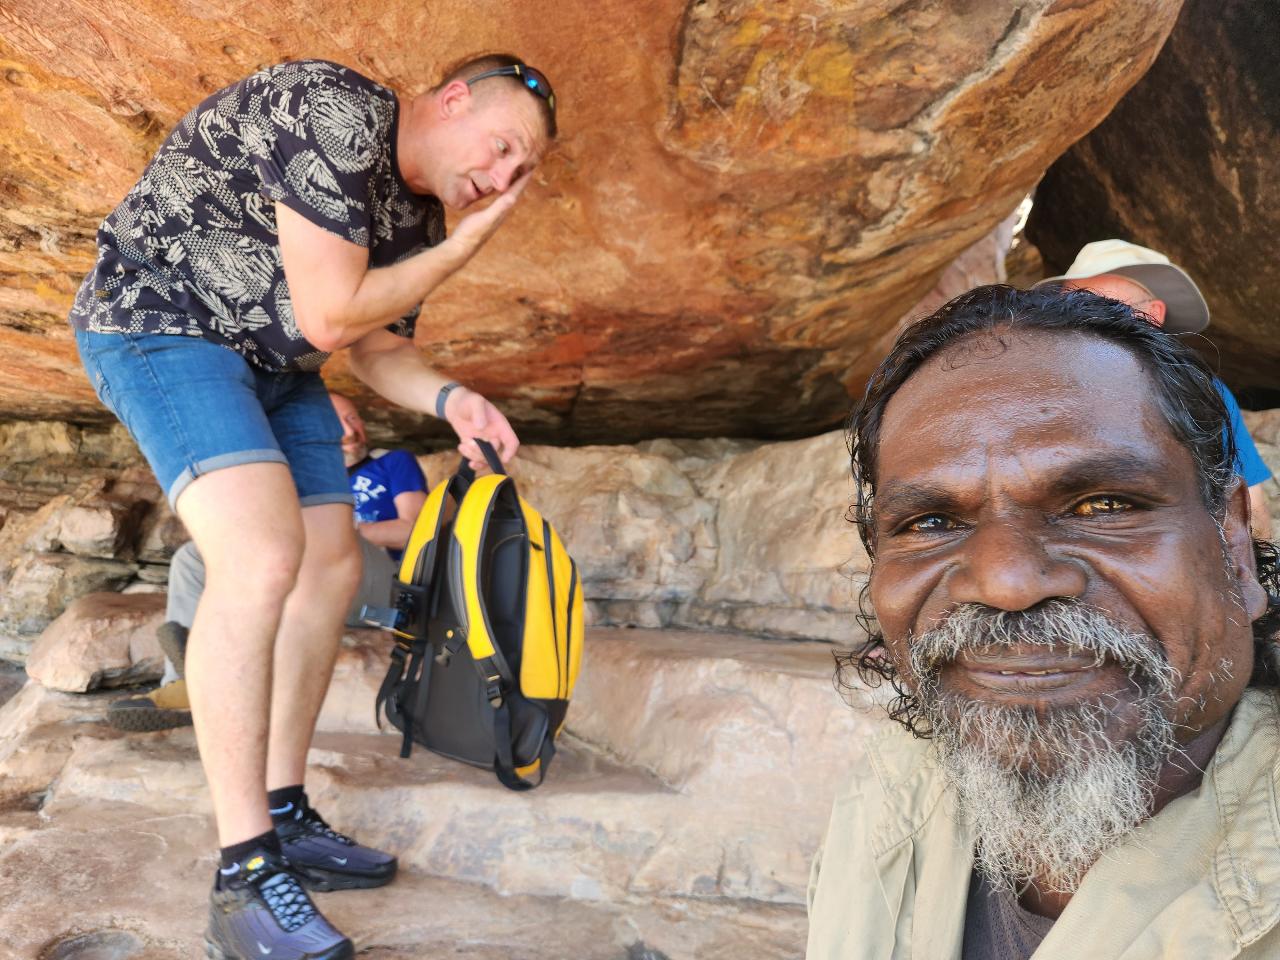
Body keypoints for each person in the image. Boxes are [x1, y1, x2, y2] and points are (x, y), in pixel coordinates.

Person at [70, 53, 556, 959]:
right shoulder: (333, 108)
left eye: (520, 171)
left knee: (330, 567)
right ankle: (244, 873)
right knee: (259, 559)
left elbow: (372, 349)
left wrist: (453, 399)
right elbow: (331, 316)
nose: (501, 181)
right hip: (161, 323)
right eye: (502, 149)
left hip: (275, 364)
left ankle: (284, 810)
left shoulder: (416, 219)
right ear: (454, 100)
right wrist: (468, 246)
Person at [807, 285, 1280, 959]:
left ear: (1233, 543)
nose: (1007, 584)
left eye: (1102, 505)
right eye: (931, 522)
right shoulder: (887, 792)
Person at [106, 393, 428, 732]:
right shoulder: (300, 476)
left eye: (353, 418)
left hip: (376, 585)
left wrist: (339, 527)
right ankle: (185, 685)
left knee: (321, 529)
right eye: (337, 422)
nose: (350, 430)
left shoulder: (392, 463)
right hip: (308, 584)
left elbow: (416, 531)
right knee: (193, 557)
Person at [1043, 239, 1273, 539]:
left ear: (1153, 314)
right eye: (1068, 309)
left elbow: (1250, 507)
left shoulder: (1202, 393)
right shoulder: (1040, 392)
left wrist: (1251, 565)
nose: (1082, 322)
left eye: (1104, 308)